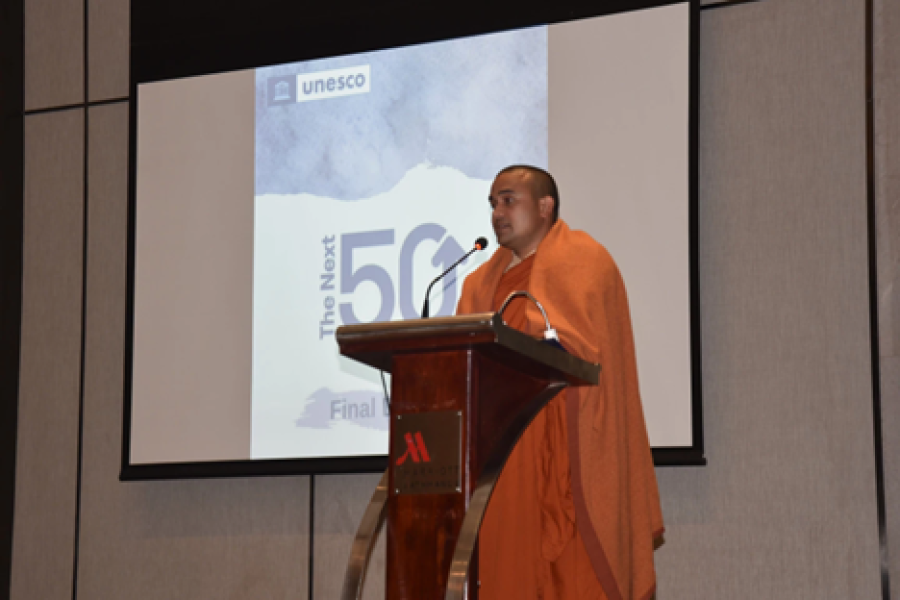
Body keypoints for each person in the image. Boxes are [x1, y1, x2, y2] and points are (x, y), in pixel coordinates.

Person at [456, 165, 664, 600]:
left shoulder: (585, 261)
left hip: (567, 456)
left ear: (545, 207)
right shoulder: (479, 283)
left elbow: (586, 354)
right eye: (493, 203)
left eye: (508, 200)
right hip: (500, 459)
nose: (497, 213)